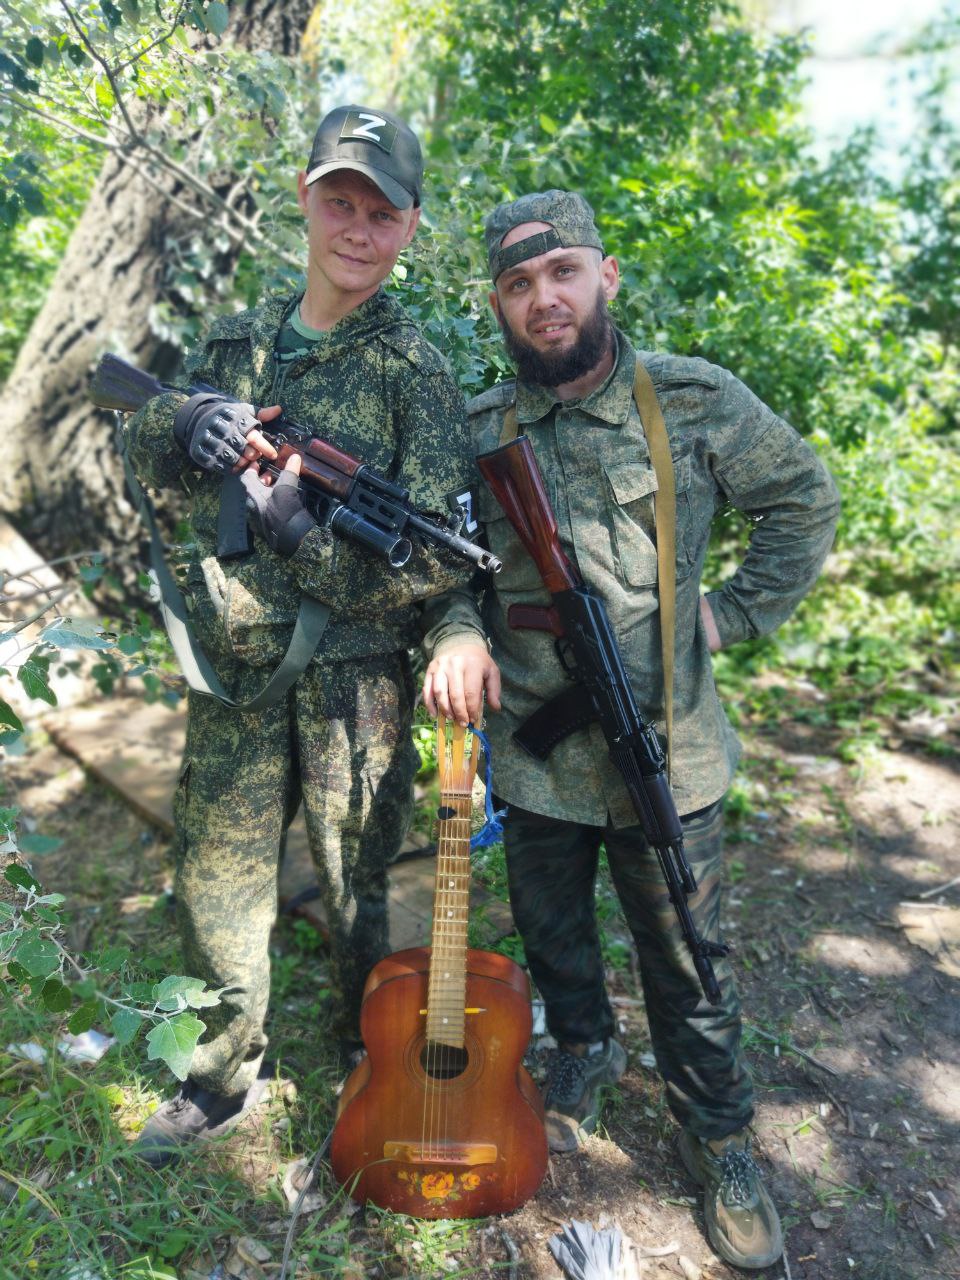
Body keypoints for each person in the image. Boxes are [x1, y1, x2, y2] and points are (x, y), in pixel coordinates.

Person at [424, 190, 841, 1270]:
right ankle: (586, 1042)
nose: (543, 298)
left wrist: (736, 610)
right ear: (498, 305)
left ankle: (720, 1138)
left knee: (693, 963)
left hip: (670, 752)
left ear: (605, 276)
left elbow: (804, 497)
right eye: (518, 284)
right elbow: (446, 568)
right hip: (538, 754)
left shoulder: (693, 403)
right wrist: (460, 629)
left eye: (561, 271)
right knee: (552, 925)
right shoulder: (480, 432)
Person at [126, 105, 484, 1167]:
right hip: (237, 675)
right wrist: (188, 422)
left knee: (358, 880)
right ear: (305, 199)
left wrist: (302, 534)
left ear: (411, 228)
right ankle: (220, 1072)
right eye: (341, 202)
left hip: (354, 688)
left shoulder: (412, 370)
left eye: (382, 212)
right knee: (218, 877)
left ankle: (360, 1052)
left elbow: (432, 560)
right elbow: (146, 442)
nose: (358, 229)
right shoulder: (237, 342)